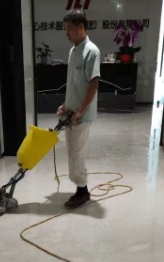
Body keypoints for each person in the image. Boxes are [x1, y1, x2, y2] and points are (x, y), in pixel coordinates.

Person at [58, 10, 100, 208]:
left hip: (81, 115)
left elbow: (93, 84)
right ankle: (82, 189)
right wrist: (66, 105)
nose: (67, 33)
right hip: (70, 112)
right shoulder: (73, 51)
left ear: (81, 27)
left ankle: (82, 192)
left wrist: (81, 111)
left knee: (76, 154)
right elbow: (74, 84)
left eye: (70, 29)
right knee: (72, 153)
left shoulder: (91, 52)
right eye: (65, 29)